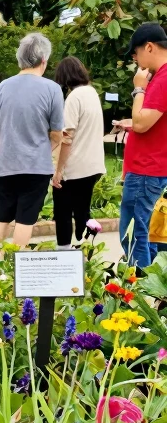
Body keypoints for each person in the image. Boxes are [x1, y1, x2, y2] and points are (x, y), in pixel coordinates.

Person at [0, 33, 65, 247]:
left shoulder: (3, 86)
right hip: (36, 167)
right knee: (25, 218)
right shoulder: (52, 89)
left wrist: (0, 151)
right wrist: (46, 149)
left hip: (6, 165)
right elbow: (57, 133)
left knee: (0, 216)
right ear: (44, 60)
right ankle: (16, 259)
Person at [115, 23, 167, 271]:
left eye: (135, 53)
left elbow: (141, 123)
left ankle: (139, 287)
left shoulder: (162, 79)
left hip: (146, 171)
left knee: (134, 234)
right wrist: (134, 124)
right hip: (153, 168)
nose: (135, 59)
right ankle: (153, 285)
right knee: (150, 235)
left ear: (149, 47)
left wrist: (138, 88)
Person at [51, 57, 106, 249]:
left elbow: (67, 137)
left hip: (75, 167)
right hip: (94, 164)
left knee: (62, 211)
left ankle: (65, 252)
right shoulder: (92, 93)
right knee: (82, 211)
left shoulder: (74, 98)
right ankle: (84, 245)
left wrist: (59, 170)